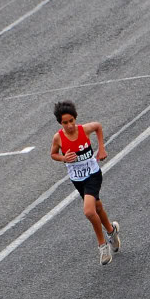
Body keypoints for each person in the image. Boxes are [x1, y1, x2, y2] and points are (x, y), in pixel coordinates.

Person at [51, 101, 120, 265]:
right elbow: (53, 154)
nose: (69, 125)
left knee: (89, 212)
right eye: (65, 123)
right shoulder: (58, 138)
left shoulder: (84, 130)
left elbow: (98, 126)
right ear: (60, 123)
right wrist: (63, 158)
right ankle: (112, 231)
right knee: (97, 207)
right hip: (77, 179)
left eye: (71, 121)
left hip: (93, 174)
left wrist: (101, 148)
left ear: (75, 118)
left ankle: (102, 245)